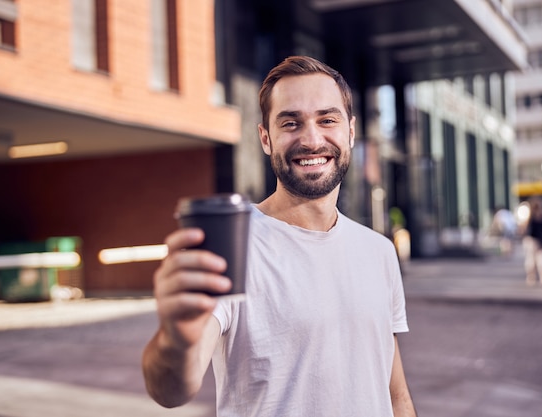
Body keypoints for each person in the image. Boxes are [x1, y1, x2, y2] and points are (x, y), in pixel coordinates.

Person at [142, 56, 417, 416]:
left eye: (327, 119)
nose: (312, 138)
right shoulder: (234, 247)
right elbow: (173, 390)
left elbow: (396, 396)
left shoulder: (378, 251)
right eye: (291, 123)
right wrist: (175, 337)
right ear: (266, 138)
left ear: (350, 131)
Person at [522, 198, 542, 287]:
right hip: (534, 242)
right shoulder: (536, 218)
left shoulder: (537, 218)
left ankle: (540, 277)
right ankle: (537, 277)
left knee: (538, 261)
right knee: (535, 261)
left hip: (537, 242)